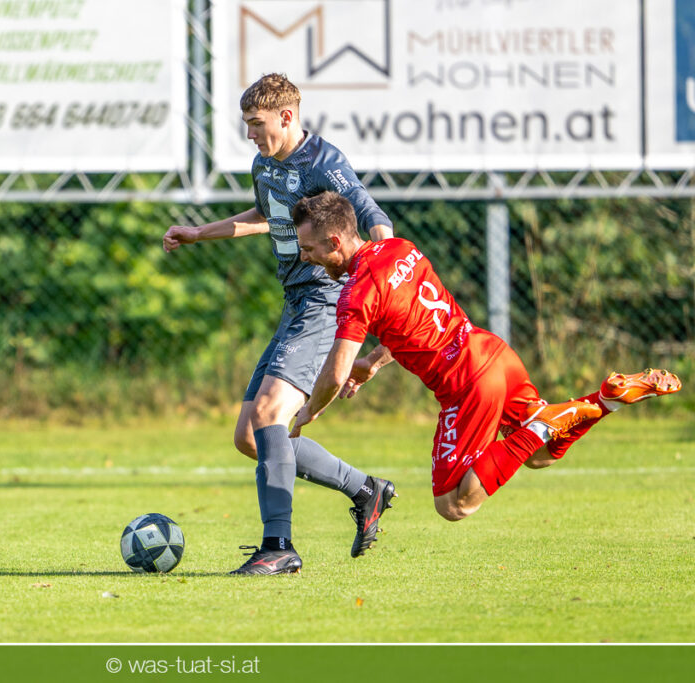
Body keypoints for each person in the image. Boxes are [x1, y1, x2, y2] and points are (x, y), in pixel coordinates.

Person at [289, 191, 681, 521]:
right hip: (493, 353)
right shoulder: (401, 248)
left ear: (335, 243)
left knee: (453, 504)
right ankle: (605, 401)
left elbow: (336, 373)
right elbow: (412, 321)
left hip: (466, 382)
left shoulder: (357, 292)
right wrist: (373, 362)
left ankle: (546, 422)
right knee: (541, 455)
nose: (305, 258)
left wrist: (309, 411)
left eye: (308, 249)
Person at [162, 74, 396, 575]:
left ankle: (279, 547)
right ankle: (364, 489)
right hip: (295, 302)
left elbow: (373, 216)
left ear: (286, 117)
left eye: (256, 123)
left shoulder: (325, 163)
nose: (249, 134)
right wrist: (199, 233)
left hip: (325, 298)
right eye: (246, 124)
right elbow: (267, 215)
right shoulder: (264, 164)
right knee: (251, 437)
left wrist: (385, 273)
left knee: (270, 412)